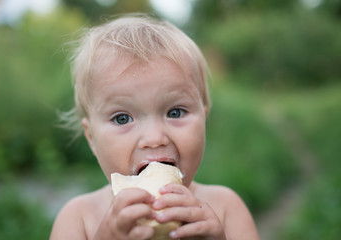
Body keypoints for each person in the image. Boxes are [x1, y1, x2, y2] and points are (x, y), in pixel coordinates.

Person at [50, 14, 260, 240]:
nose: (154, 138)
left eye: (175, 112)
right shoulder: (79, 219)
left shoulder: (226, 209)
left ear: (204, 121)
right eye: (122, 118)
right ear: (91, 138)